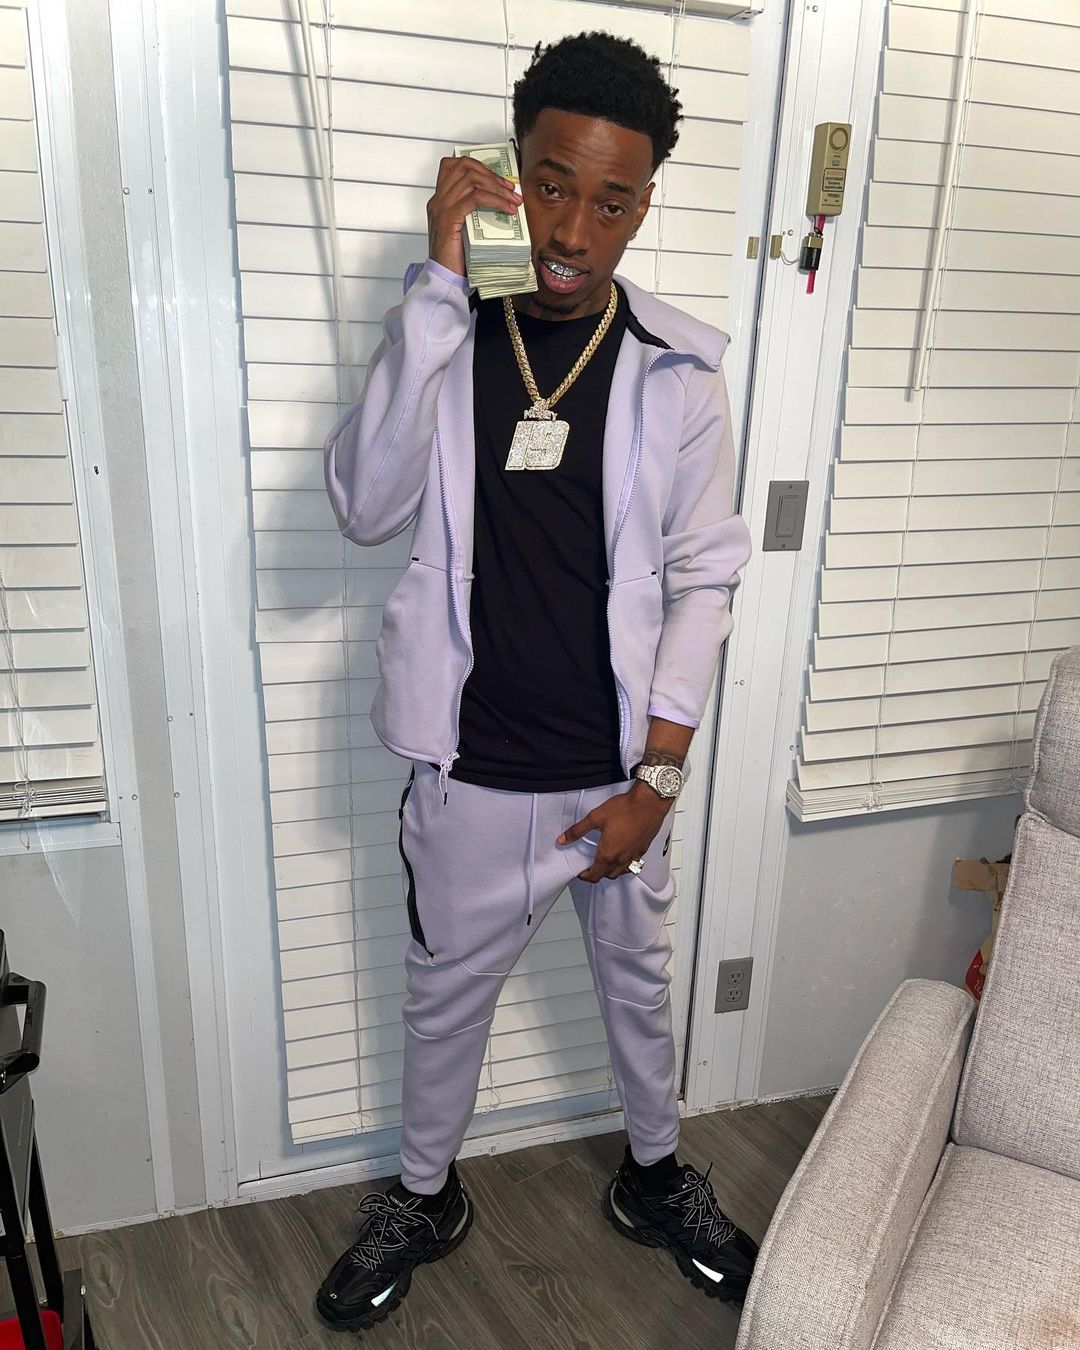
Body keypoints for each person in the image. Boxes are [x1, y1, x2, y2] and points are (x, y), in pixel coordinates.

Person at [316, 31, 755, 1333]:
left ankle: (654, 1178)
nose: (571, 230)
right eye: (551, 185)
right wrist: (438, 286)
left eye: (610, 201)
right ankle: (424, 1195)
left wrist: (657, 782)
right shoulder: (450, 335)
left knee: (640, 990)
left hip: (616, 777)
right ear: (510, 171)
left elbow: (706, 579)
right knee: (442, 999)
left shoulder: (679, 372)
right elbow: (363, 504)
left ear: (643, 206)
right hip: (472, 771)